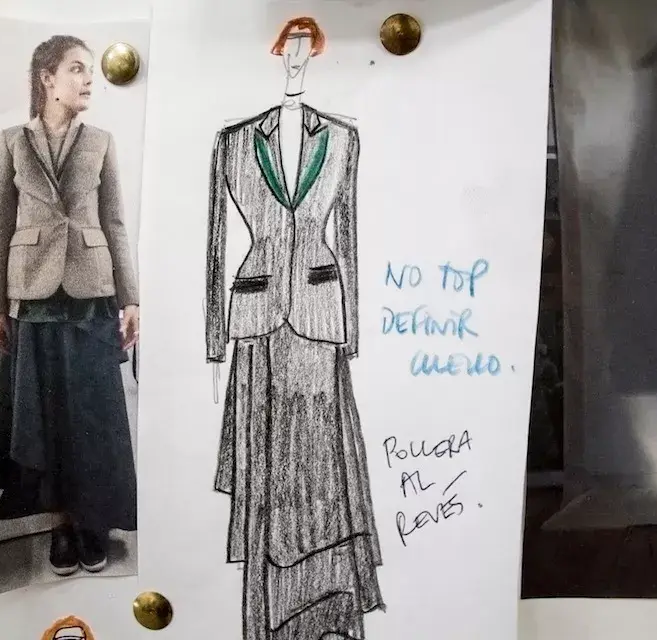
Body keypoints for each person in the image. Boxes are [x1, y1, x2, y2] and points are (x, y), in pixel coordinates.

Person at [206, 17, 384, 639]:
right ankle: (272, 616)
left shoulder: (341, 139)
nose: (299, 55)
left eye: (310, 44)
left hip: (318, 315)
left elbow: (348, 234)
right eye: (291, 44)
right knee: (268, 465)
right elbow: (216, 243)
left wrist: (350, 329)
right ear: (277, 50)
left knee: (321, 464)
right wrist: (214, 338)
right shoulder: (232, 141)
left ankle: (327, 607)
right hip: (257, 318)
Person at [0, 35, 139, 577]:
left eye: (90, 70)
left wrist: (131, 299)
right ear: (47, 78)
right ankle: (61, 528)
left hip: (92, 297)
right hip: (33, 298)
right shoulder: (11, 141)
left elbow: (115, 222)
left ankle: (93, 524)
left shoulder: (101, 141)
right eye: (76, 69)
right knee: (43, 422)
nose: (88, 79)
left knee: (92, 419)